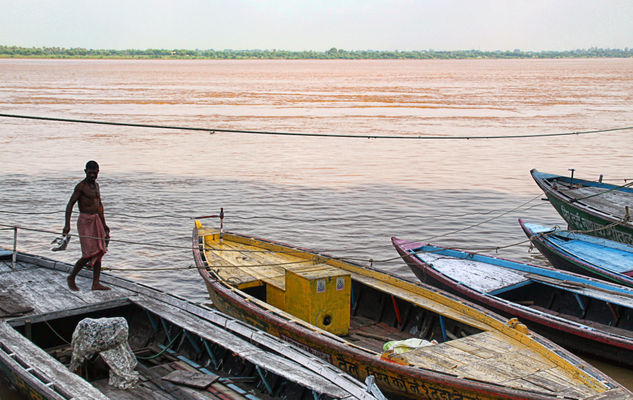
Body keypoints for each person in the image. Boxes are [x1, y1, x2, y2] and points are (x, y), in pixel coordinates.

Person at [63, 160, 110, 291]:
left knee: (100, 251)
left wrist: (104, 224)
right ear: (85, 172)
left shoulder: (97, 186)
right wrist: (67, 224)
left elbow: (99, 206)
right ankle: (71, 277)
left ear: (98, 172)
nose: (92, 176)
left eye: (95, 173)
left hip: (96, 220)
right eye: (90, 173)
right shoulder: (81, 187)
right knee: (88, 253)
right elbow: (70, 204)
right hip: (85, 220)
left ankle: (96, 283)